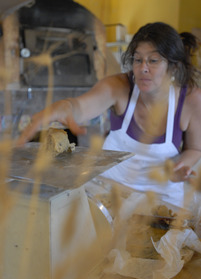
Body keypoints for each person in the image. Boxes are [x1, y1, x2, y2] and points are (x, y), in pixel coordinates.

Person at [17, 22, 201, 207]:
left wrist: (179, 167)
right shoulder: (119, 87)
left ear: (174, 67)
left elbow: (195, 148)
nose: (143, 68)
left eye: (153, 60)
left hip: (163, 199)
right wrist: (66, 106)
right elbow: (81, 107)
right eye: (138, 60)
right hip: (111, 193)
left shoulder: (191, 100)